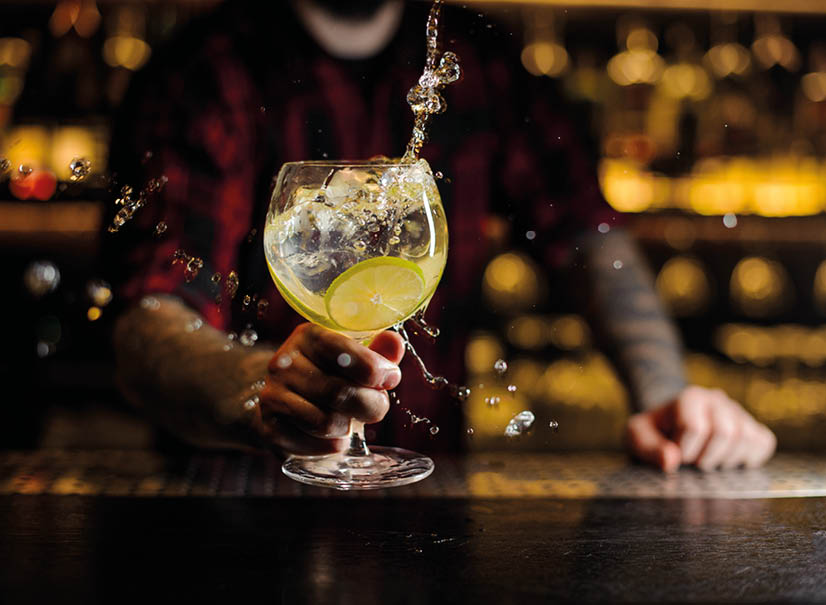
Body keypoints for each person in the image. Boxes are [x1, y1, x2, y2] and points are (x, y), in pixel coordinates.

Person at [107, 0, 776, 472]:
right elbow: (150, 319)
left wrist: (665, 394)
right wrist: (264, 392)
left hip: (429, 500)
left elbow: (586, 234)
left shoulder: (474, 59)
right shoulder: (206, 70)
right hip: (236, 504)